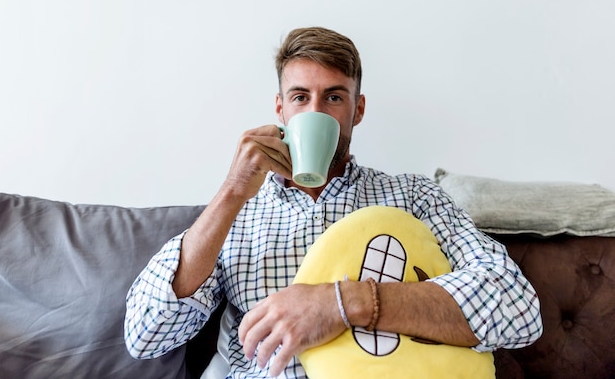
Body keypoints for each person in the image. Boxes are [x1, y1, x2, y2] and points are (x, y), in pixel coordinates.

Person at [124, 26, 543, 378]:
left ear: (357, 110)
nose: (317, 111)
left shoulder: (413, 196)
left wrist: (343, 302)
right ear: (281, 109)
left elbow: (517, 308)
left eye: (334, 97)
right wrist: (232, 191)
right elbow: (145, 335)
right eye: (301, 97)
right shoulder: (237, 215)